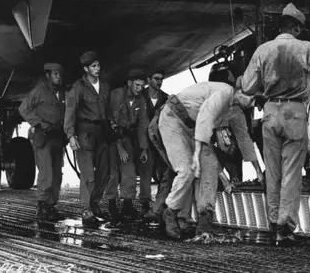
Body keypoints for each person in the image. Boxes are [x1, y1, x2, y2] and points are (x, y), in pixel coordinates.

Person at [242, 3, 310, 246]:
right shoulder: (306, 48)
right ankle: (284, 230)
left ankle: (274, 222)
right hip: (295, 113)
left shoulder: (263, 50)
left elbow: (247, 87)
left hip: (270, 113)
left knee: (273, 172)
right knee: (290, 174)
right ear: (297, 28)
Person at [158, 79, 262, 239]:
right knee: (187, 169)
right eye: (252, 99)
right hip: (174, 120)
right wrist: (196, 156)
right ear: (241, 92)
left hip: (194, 129)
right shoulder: (225, 92)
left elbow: (244, 139)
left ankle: (204, 221)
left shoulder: (236, 111)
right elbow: (205, 116)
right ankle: (170, 212)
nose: (253, 104)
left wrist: (257, 170)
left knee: (211, 166)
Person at [64, 51, 111, 227]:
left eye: (98, 65)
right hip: (85, 133)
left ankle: (95, 202)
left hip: (102, 133)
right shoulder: (78, 88)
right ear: (86, 68)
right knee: (88, 174)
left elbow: (108, 110)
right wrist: (70, 135)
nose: (97, 69)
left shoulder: (105, 87)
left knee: (104, 172)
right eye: (93, 66)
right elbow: (70, 112)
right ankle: (86, 209)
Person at [18, 62, 66, 221]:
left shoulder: (58, 92)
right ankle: (42, 206)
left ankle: (51, 206)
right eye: (55, 74)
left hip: (57, 137)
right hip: (44, 137)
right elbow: (23, 108)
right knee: (47, 173)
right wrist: (38, 125)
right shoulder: (40, 90)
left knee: (57, 173)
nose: (58, 77)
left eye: (60, 74)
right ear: (48, 75)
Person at [106, 69, 149, 224]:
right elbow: (112, 121)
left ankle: (127, 205)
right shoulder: (117, 95)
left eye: (142, 86)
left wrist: (143, 148)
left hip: (128, 139)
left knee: (129, 172)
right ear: (130, 83)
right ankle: (111, 205)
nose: (139, 88)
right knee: (113, 173)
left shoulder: (141, 98)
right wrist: (119, 147)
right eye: (137, 85)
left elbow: (142, 124)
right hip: (113, 139)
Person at [141, 69, 169, 222]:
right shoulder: (140, 96)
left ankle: (157, 207)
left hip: (159, 142)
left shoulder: (165, 98)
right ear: (148, 79)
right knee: (145, 172)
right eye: (156, 78)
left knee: (164, 173)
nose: (159, 81)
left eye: (161, 79)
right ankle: (145, 203)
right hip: (143, 142)